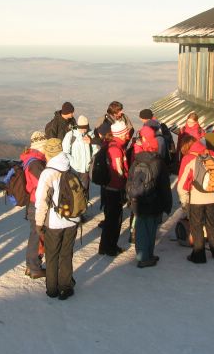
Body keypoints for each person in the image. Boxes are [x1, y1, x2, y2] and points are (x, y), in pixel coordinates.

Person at [34, 138, 80, 300]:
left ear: (49, 153)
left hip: (54, 222)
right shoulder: (70, 166)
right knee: (66, 254)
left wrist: (39, 223)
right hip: (72, 219)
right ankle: (65, 287)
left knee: (52, 255)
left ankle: (52, 289)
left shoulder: (48, 173)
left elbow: (41, 201)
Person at [126, 126, 172, 268]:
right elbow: (164, 186)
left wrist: (130, 199)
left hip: (138, 201)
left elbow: (129, 180)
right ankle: (144, 258)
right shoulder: (158, 162)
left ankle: (146, 255)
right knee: (150, 229)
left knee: (142, 228)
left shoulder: (137, 160)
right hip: (154, 201)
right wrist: (167, 204)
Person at [177, 136, 214, 264]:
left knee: (196, 226)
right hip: (213, 195)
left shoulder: (188, 158)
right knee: (212, 224)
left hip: (197, 198)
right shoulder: (211, 153)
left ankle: (199, 255)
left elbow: (182, 185)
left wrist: (184, 202)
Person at [98, 120, 130, 257]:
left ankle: (104, 246)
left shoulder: (111, 145)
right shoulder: (116, 149)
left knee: (110, 218)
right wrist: (125, 185)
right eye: (126, 133)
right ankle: (110, 247)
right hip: (114, 189)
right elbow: (118, 172)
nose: (128, 135)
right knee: (114, 220)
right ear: (121, 134)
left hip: (109, 187)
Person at [20, 131, 48, 278]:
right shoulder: (36, 163)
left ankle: (32, 266)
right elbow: (42, 185)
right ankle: (34, 268)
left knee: (36, 235)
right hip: (37, 203)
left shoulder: (32, 159)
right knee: (37, 236)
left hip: (33, 203)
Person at [62, 115, 98, 197]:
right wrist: (72, 162)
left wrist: (91, 160)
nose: (84, 130)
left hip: (85, 169)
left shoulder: (91, 134)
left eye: (85, 128)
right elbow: (65, 152)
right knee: (74, 191)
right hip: (74, 169)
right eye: (82, 128)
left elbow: (96, 149)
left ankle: (84, 203)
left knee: (85, 190)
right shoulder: (71, 135)